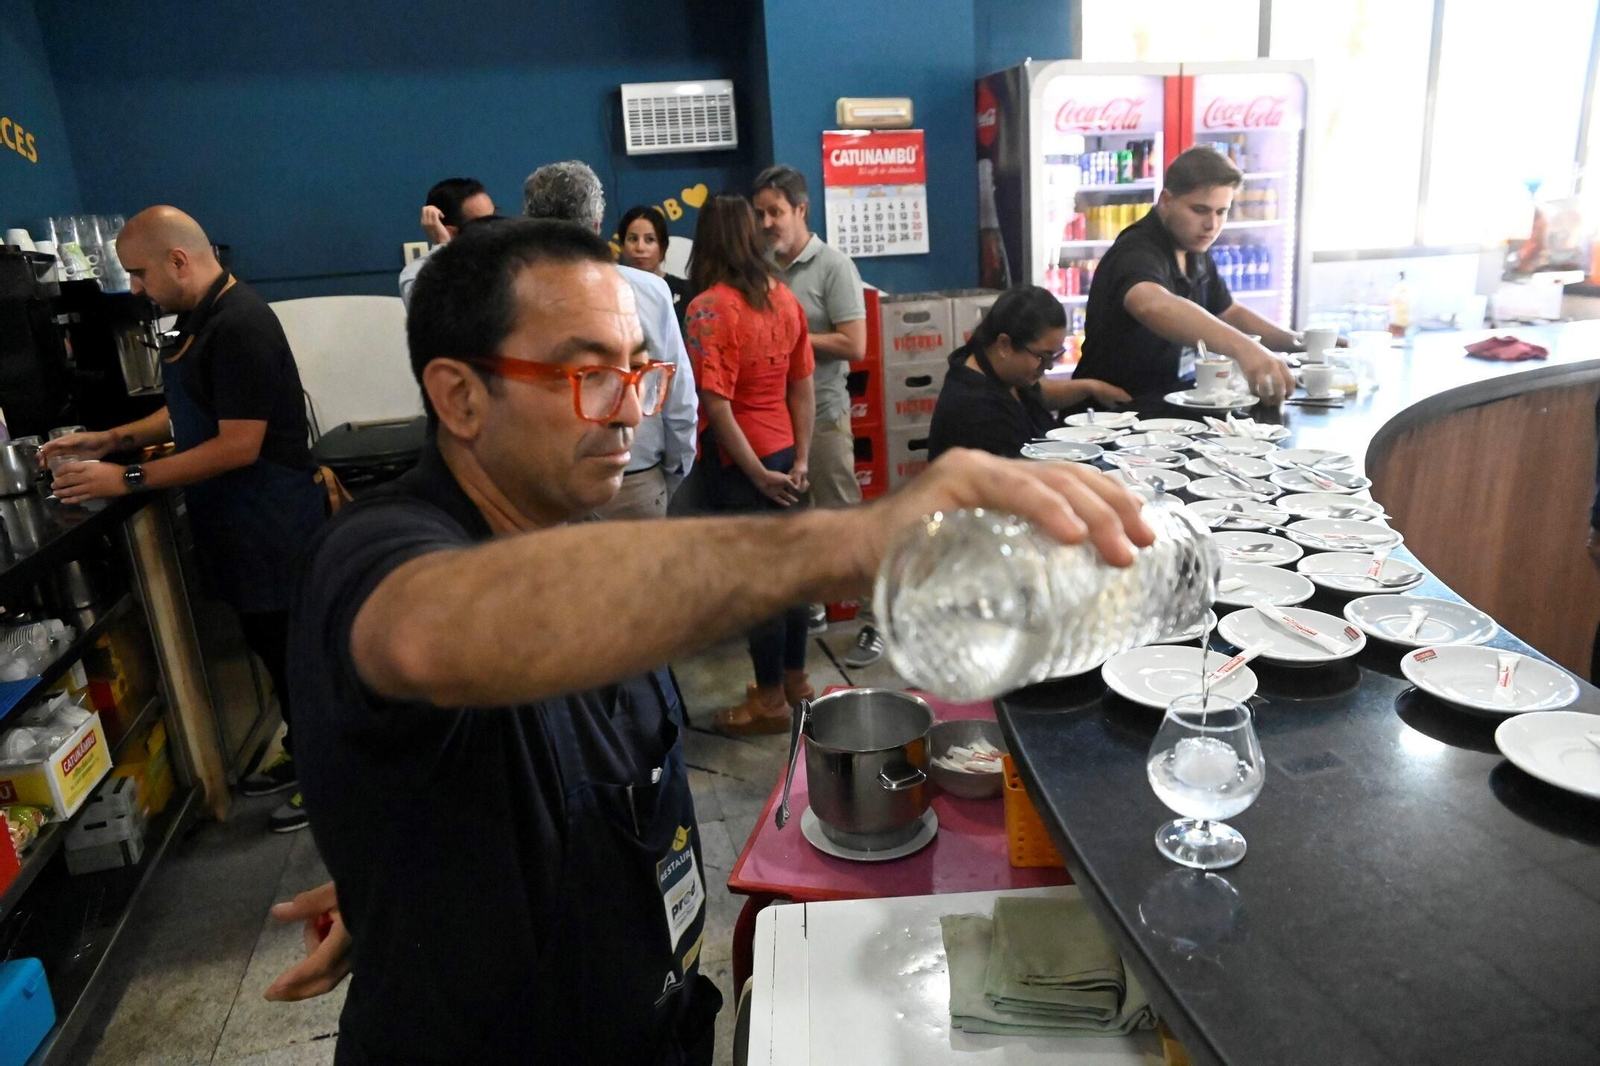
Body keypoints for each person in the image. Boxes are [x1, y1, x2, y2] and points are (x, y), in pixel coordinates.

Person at [271, 217, 1153, 1063]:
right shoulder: (375, 550)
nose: (628, 412)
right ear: (460, 396)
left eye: (639, 373)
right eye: (586, 376)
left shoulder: (579, 544)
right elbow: (440, 632)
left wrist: (401, 865)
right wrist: (860, 540)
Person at [42, 206, 326, 833]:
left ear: (179, 259)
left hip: (274, 524)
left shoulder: (241, 323)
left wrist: (127, 478)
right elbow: (187, 413)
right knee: (272, 653)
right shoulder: (200, 319)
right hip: (238, 524)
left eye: (139, 274)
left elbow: (237, 445)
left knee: (301, 661)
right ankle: (307, 756)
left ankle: (328, 780)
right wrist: (112, 439)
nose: (136, 289)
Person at [682, 195, 817, 734]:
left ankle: (768, 703)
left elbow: (717, 405)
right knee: (794, 578)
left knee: (759, 585)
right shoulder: (783, 297)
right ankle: (795, 681)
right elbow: (801, 384)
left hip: (743, 462)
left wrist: (757, 475)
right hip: (788, 451)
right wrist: (802, 457)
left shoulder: (709, 307)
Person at [524, 161, 696, 518]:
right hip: (633, 478)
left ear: (529, 223)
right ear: (599, 224)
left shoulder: (511, 294)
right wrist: (675, 470)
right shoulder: (650, 291)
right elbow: (677, 395)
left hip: (540, 487)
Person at [752, 166, 871, 655]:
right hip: (773, 421)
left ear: (801, 210)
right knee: (797, 522)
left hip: (822, 413)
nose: (766, 223)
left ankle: (875, 619)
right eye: (759, 213)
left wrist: (790, 337)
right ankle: (815, 605)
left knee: (843, 519)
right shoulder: (759, 267)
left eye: (775, 212)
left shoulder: (833, 266)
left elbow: (855, 344)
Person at [1074, 146, 1298, 406]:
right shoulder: (1136, 250)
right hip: (1112, 419)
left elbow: (1228, 312)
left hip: (1168, 410)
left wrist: (1295, 342)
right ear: (1166, 201)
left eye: (1221, 212)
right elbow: (1152, 304)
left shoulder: (1193, 248)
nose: (1212, 225)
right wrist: (1244, 348)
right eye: (1200, 210)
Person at [928, 286, 1131, 462]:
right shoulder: (976, 413)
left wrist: (1092, 387)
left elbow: (1039, 391)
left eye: (1055, 355)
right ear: (1004, 345)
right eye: (1042, 357)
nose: (1049, 367)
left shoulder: (1002, 372)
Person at [398, 177, 495, 309]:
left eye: (494, 217)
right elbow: (433, 317)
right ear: (449, 231)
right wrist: (443, 247)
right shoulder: (415, 274)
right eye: (483, 223)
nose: (495, 227)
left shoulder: (507, 260)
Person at [619, 204, 693, 337]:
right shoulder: (610, 293)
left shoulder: (687, 293)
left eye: (650, 240)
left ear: (663, 247)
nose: (640, 247)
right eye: (633, 239)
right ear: (622, 247)